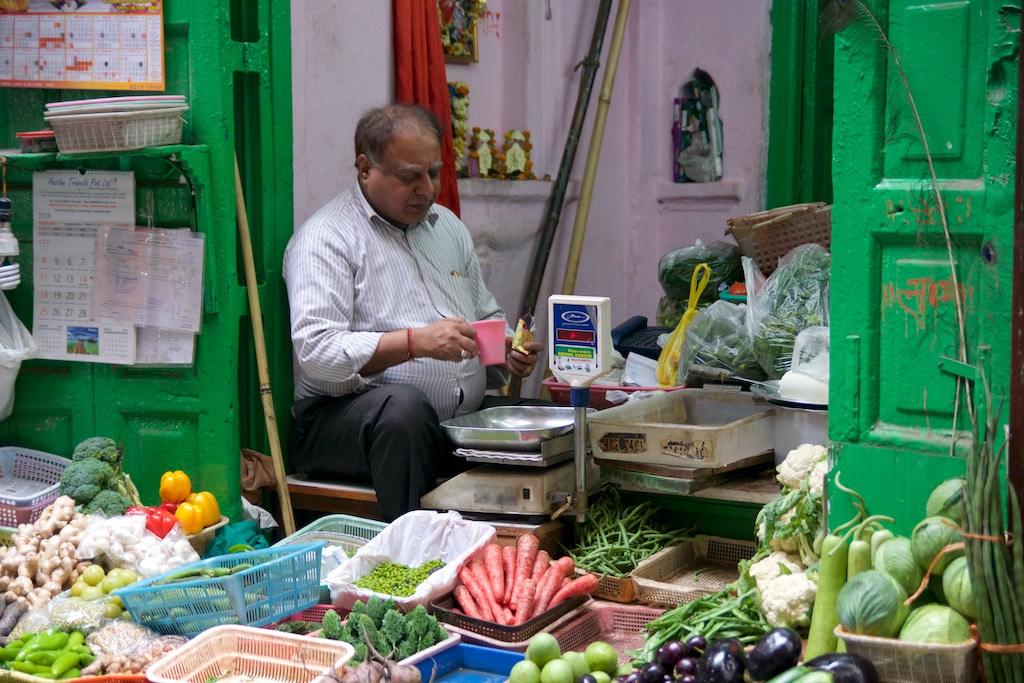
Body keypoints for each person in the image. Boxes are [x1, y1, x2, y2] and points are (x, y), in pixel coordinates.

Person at [283, 103, 543, 521]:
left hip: (445, 424)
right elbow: (318, 352)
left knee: (541, 425)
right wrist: (413, 343)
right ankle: (411, 546)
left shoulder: (447, 227)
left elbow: (484, 316)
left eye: (434, 173)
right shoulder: (326, 238)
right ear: (365, 168)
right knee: (404, 410)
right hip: (342, 423)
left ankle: (510, 544)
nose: (427, 189)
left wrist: (506, 352)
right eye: (409, 176)